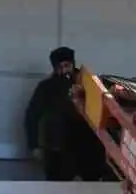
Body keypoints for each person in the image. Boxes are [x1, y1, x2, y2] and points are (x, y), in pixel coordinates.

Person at [25, 46, 109, 182]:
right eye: (60, 67)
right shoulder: (46, 88)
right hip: (58, 149)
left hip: (88, 148)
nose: (64, 70)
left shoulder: (88, 84)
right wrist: (33, 145)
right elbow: (32, 115)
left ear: (73, 64)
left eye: (67, 65)